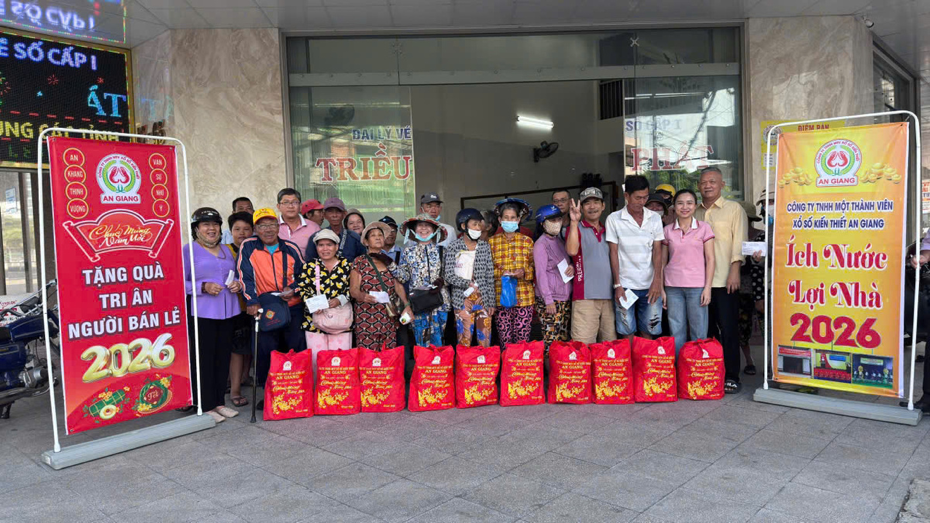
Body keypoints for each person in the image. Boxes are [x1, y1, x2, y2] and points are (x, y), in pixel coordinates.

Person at [237, 207, 307, 407]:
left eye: (271, 224)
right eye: (262, 226)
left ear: (278, 226)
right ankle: (269, 394)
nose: (267, 229)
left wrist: (294, 289)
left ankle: (296, 392)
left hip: (292, 306)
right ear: (255, 229)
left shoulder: (290, 248)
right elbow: (245, 275)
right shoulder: (248, 246)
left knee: (295, 348)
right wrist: (251, 301)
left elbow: (304, 275)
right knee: (266, 351)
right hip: (265, 307)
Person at [183, 208, 241, 423]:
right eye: (206, 225)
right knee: (203, 359)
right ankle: (204, 404)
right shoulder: (188, 250)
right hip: (202, 313)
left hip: (227, 312)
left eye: (215, 224)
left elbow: (236, 274)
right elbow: (177, 281)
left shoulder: (226, 249)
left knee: (222, 357)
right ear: (196, 229)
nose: (211, 229)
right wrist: (202, 287)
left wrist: (238, 284)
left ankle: (219, 402)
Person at [695, 166, 748, 394]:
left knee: (728, 330)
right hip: (698, 282)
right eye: (704, 182)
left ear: (722, 184)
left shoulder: (734, 209)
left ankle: (732, 376)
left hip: (725, 279)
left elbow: (740, 241)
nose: (707, 185)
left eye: (712, 181)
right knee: (705, 331)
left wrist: (735, 270)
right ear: (698, 186)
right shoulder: (693, 211)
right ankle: (710, 373)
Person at [606, 176, 665, 342]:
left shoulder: (654, 218)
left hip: (650, 285)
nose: (642, 202)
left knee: (650, 329)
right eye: (638, 198)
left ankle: (646, 359)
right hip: (625, 285)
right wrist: (617, 285)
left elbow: (658, 251)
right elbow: (613, 253)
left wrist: (657, 281)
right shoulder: (614, 219)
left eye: (645, 197)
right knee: (626, 329)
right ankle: (631, 359)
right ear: (627, 196)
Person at [661, 190, 715, 353]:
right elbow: (662, 262)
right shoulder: (667, 230)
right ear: (674, 206)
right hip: (672, 287)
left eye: (689, 203)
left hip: (697, 287)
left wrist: (707, 288)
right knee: (676, 331)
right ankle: (680, 366)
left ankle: (697, 365)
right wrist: (661, 289)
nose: (685, 207)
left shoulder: (704, 228)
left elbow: (710, 259)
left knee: (699, 331)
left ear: (695, 206)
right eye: (680, 203)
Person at [295, 229, 353, 373]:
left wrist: (340, 299)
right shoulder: (309, 266)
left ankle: (338, 387)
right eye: (321, 245)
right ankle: (319, 387)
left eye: (329, 245)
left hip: (341, 322)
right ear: (316, 248)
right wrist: (312, 304)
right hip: (315, 322)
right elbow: (303, 289)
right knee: (317, 361)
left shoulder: (347, 266)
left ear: (336, 247)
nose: (325, 249)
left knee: (339, 362)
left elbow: (354, 289)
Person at [566, 187, 617, 344]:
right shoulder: (575, 228)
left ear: (603, 206)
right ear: (581, 208)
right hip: (585, 297)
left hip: (610, 297)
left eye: (596, 202)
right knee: (583, 345)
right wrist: (574, 222)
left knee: (609, 346)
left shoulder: (609, 230)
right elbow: (572, 251)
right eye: (587, 203)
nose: (592, 206)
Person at [350, 222, 412, 350]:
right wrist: (362, 296)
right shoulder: (359, 261)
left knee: (388, 355)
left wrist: (406, 305)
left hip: (388, 316)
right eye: (373, 235)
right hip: (366, 317)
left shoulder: (388, 261)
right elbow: (353, 290)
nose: (378, 238)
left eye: (380, 235)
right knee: (368, 356)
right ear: (366, 242)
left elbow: (398, 286)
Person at [394, 214, 451, 346]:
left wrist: (441, 281)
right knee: (421, 344)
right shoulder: (408, 252)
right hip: (418, 304)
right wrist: (390, 265)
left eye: (427, 225)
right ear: (414, 229)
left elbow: (450, 275)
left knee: (439, 343)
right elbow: (403, 277)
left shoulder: (443, 250)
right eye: (420, 225)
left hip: (440, 303)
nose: (423, 228)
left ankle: (438, 360)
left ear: (434, 230)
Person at [445, 208, 495, 347]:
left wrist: (491, 302)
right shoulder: (454, 247)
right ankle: (464, 361)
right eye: (474, 224)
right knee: (464, 339)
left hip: (483, 299)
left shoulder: (484, 247)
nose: (478, 228)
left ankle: (484, 361)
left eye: (480, 224)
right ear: (463, 226)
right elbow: (448, 275)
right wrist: (467, 284)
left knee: (484, 339)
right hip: (462, 299)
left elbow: (489, 276)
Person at [489, 198, 535, 344]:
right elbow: (487, 270)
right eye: (506, 218)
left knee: (522, 340)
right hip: (501, 298)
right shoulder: (491, 242)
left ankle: (521, 360)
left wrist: (524, 273)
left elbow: (535, 267)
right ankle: (507, 360)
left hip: (524, 297)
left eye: (513, 218)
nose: (509, 221)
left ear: (518, 220)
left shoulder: (527, 241)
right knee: (505, 339)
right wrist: (501, 274)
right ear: (500, 220)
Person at [534, 204, 573, 346]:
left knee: (562, 340)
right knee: (551, 341)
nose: (556, 223)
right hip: (551, 300)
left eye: (558, 219)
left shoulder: (560, 241)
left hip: (564, 298)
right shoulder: (541, 244)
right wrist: (548, 300)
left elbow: (567, 262)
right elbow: (540, 274)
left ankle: (559, 363)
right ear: (542, 224)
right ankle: (549, 362)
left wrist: (572, 267)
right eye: (552, 220)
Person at [226, 211, 254, 407]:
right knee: (235, 349)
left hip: (251, 306)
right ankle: (234, 388)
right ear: (230, 231)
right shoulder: (225, 251)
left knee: (247, 346)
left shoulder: (254, 249)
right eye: (237, 229)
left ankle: (244, 377)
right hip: (231, 306)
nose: (242, 233)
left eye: (246, 229)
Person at [739, 199, 765, 375]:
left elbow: (768, 264)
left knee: (766, 327)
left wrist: (759, 260)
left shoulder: (761, 236)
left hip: (761, 288)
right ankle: (749, 360)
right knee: (742, 327)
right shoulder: (731, 237)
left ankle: (771, 363)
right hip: (739, 289)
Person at [305, 197, 365, 261]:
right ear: (324, 215)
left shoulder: (354, 238)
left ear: (344, 214)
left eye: (338, 211)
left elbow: (363, 261)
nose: (334, 215)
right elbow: (310, 262)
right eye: (330, 212)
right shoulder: (316, 237)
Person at [277, 188, 320, 255]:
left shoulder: (314, 228)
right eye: (286, 202)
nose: (290, 206)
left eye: (295, 202)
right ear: (278, 206)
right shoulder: (272, 226)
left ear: (300, 206)